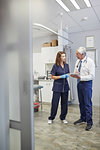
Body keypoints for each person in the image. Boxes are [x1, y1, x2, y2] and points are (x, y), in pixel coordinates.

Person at [71, 47, 95, 131]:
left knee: (87, 103)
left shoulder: (90, 61)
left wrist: (81, 77)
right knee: (81, 102)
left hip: (87, 84)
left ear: (82, 54)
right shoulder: (78, 61)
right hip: (79, 84)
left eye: (77, 54)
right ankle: (83, 118)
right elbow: (76, 70)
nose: (76, 55)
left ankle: (89, 122)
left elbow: (92, 76)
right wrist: (74, 74)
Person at [48, 51, 70, 124]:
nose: (64, 57)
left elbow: (68, 73)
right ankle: (51, 118)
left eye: (65, 56)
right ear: (59, 57)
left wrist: (69, 75)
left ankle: (63, 117)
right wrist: (61, 76)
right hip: (57, 87)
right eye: (63, 56)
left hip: (65, 87)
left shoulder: (66, 65)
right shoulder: (55, 66)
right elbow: (52, 76)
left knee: (64, 103)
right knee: (55, 103)